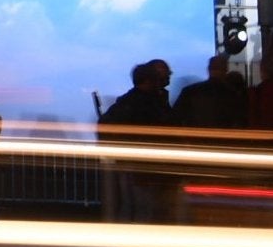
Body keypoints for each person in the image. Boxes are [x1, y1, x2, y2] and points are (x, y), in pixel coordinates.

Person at [96, 60, 171, 223]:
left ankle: (130, 246)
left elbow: (104, 125)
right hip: (146, 165)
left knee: (131, 206)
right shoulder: (152, 103)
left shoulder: (126, 102)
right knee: (144, 208)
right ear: (150, 80)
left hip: (129, 162)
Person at [170, 54, 250, 129]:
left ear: (208, 69)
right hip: (224, 140)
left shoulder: (189, 92)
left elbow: (175, 118)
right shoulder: (234, 96)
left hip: (195, 139)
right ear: (226, 69)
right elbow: (240, 122)